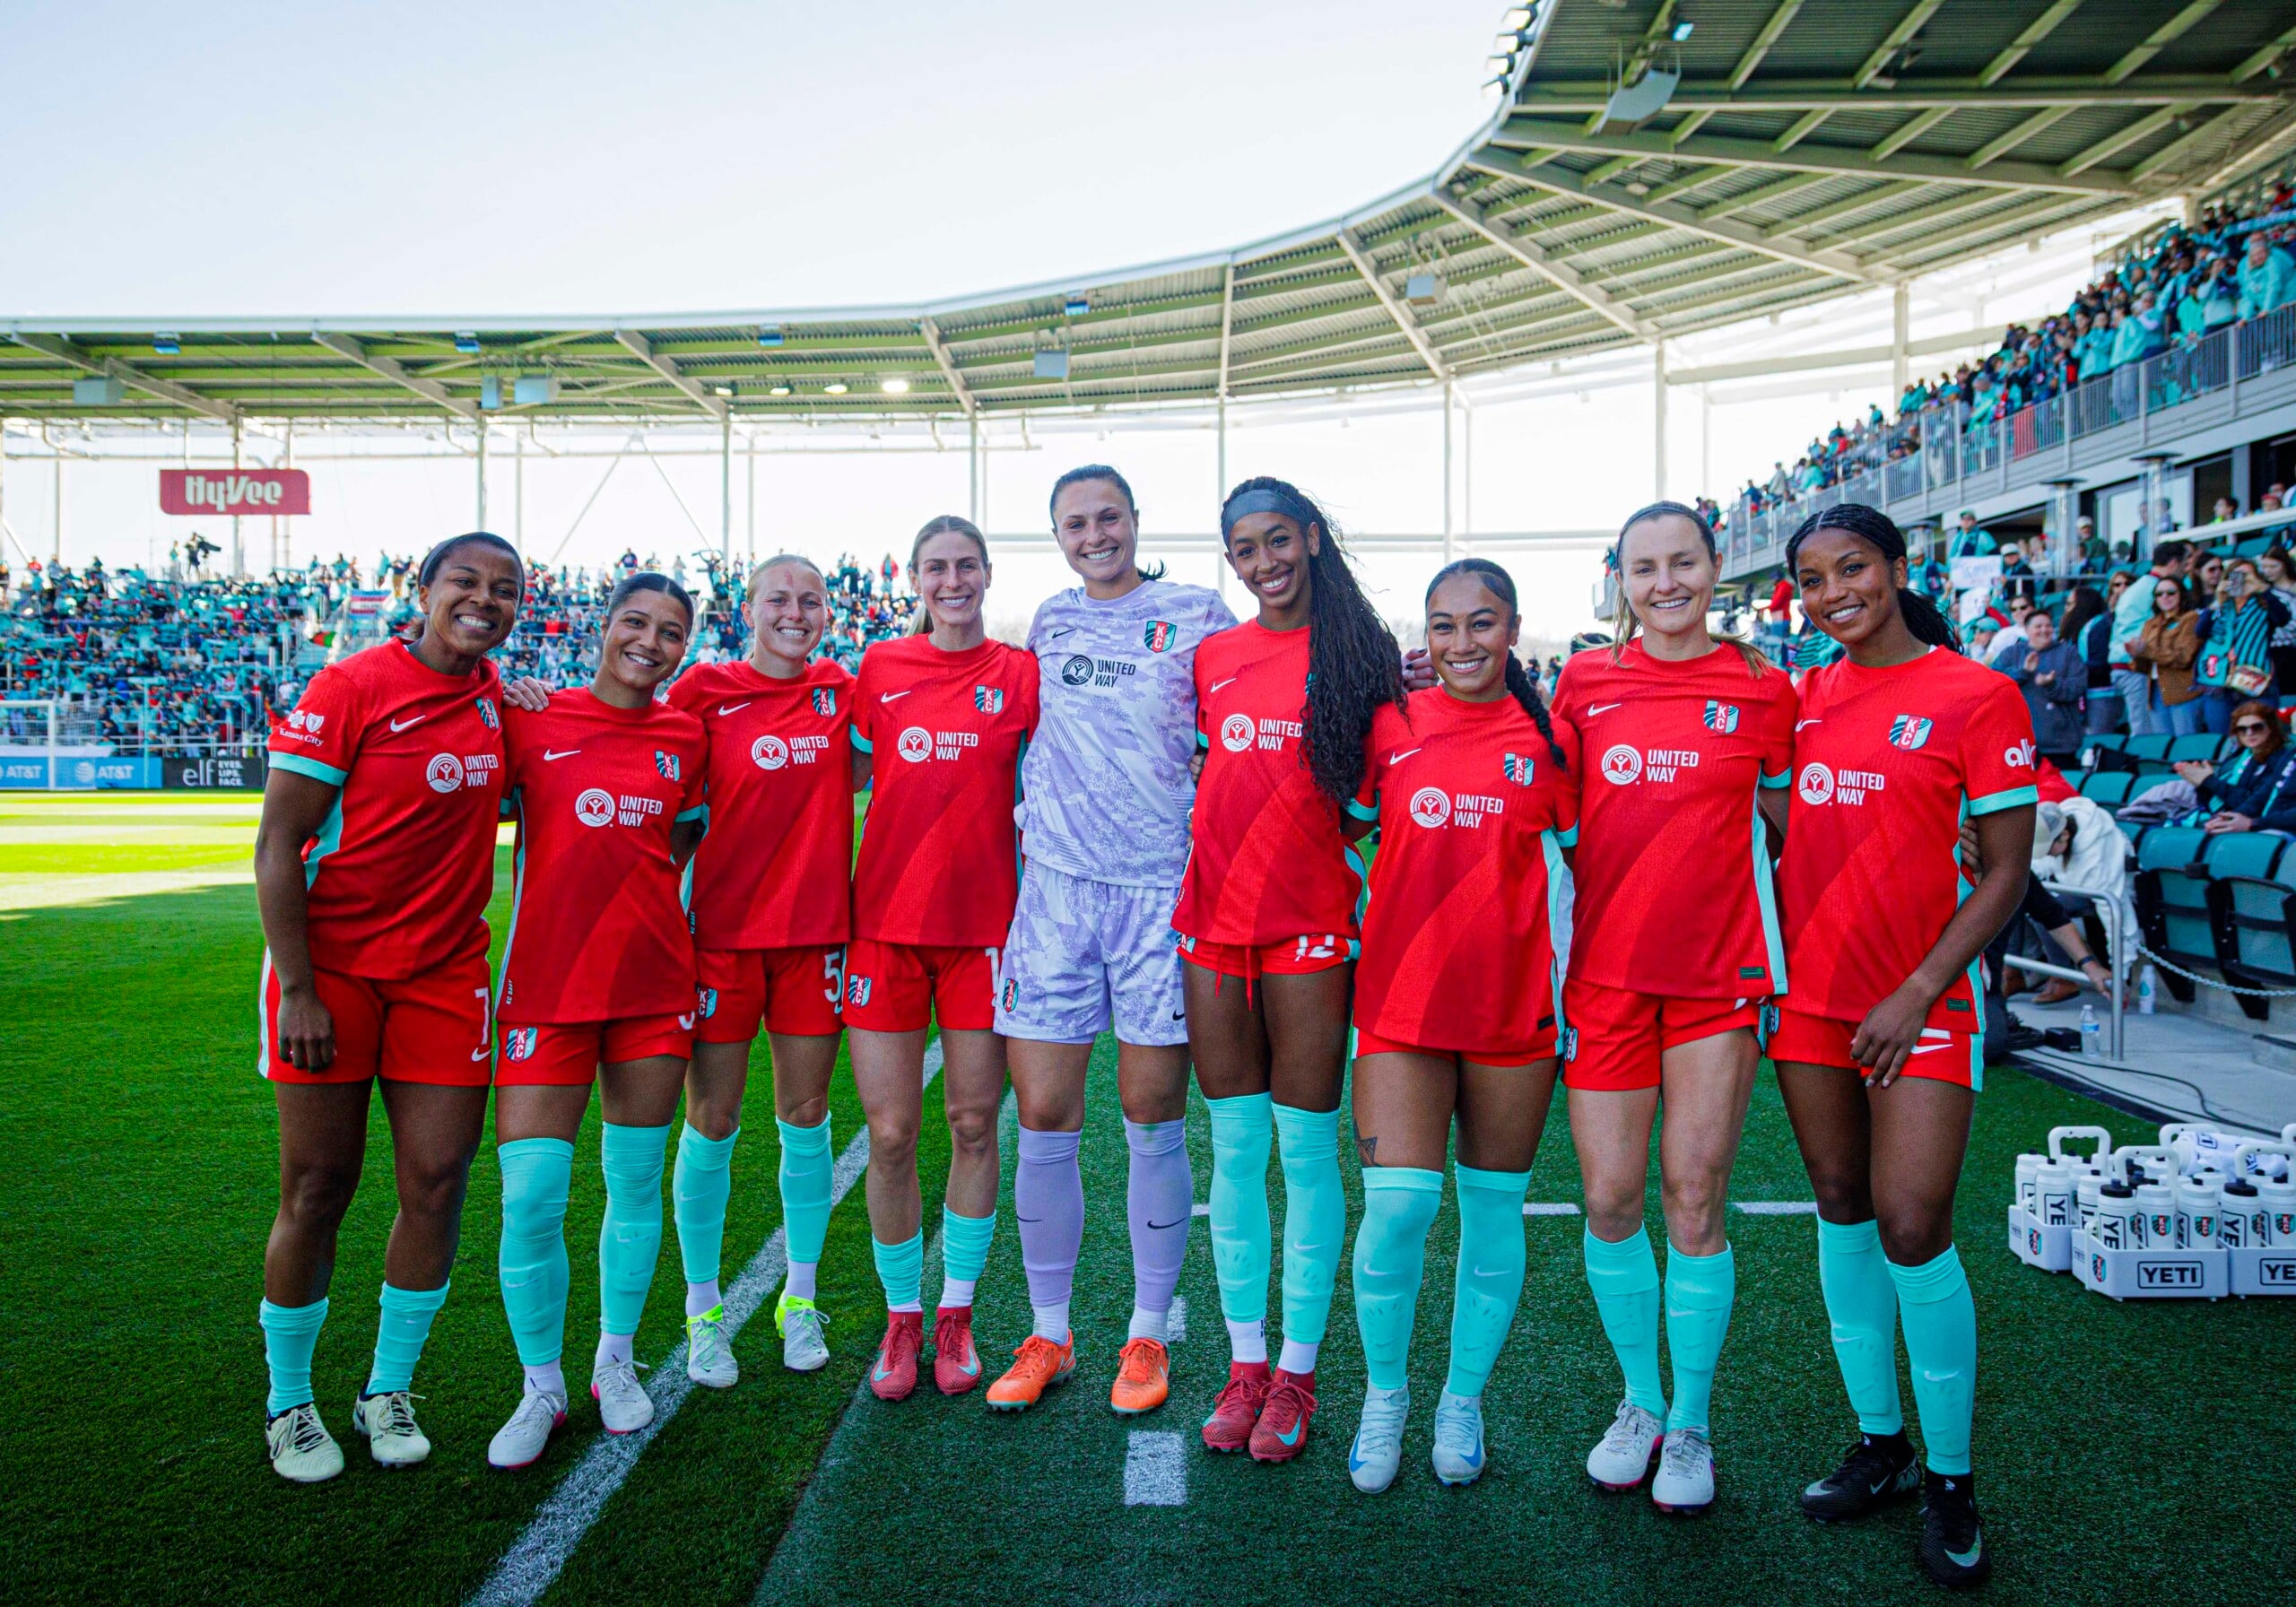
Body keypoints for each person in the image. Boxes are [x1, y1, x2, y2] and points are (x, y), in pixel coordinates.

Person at [1772, 502, 2034, 1591]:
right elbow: (1778, 823)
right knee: (1840, 1203)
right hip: (1809, 1004)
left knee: (1912, 1223)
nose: (1835, 592)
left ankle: (1952, 1480)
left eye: (1853, 568)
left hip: (1921, 1004)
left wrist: (1918, 987)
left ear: (1895, 565)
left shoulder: (1977, 694)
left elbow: (2007, 872)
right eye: (1813, 579)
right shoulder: (1800, 699)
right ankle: (1881, 1444)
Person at [253, 532, 524, 1482]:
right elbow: (277, 844)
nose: (484, 599)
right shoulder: (350, 687)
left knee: (438, 1182)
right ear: (422, 588)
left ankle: (387, 1389)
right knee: (317, 1187)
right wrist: (298, 989)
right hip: (330, 974)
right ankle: (290, 1402)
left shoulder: (499, 698)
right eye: (465, 581)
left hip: (445, 976)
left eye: (505, 589)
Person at [1549, 501, 1796, 1515]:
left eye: (1683, 562)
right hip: (1605, 981)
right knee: (1611, 1199)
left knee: (1693, 1198)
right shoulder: (1582, 682)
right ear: (1621, 578)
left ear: (1714, 565)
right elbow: (1550, 814)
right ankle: (1640, 1402)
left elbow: (1788, 824)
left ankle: (1690, 1421)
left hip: (1717, 979)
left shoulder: (1762, 687)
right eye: (1645, 567)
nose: (1666, 584)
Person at [988, 465, 1236, 1418]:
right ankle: (1049, 1332)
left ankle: (1146, 1331)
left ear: (1135, 520)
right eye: (1075, 524)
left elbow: (1258, 694)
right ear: (1056, 536)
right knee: (1044, 1113)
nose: (1094, 535)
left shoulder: (1196, 613)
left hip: (1157, 895)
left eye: (1108, 517)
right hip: (1055, 892)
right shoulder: (1050, 623)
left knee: (1150, 1112)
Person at [1176, 477, 1406, 1464]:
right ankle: (1244, 1366)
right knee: (1234, 1153)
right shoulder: (1214, 657)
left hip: (1310, 932)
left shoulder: (1363, 656)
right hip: (1210, 930)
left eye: (1277, 540)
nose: (1263, 562)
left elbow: (1370, 808)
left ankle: (1299, 1374)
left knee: (1305, 1153)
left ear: (1311, 538)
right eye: (1244, 549)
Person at [1341, 560, 1570, 1494]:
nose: (1462, 642)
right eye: (1444, 625)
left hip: (1514, 1012)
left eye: (1481, 623)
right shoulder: (1390, 724)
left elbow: (1598, 864)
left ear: (1512, 628)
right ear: (1424, 635)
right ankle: (1384, 1395)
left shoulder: (1554, 740)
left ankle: (1462, 1399)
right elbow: (1337, 829)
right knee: (1398, 1208)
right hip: (1401, 1005)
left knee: (1491, 1213)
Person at [482, 575, 708, 1468]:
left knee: (634, 1182)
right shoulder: (532, 718)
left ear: (685, 647)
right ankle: (541, 1384)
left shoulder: (686, 735)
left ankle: (615, 1359)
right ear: (603, 627)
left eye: (671, 631)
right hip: (546, 991)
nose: (651, 641)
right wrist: (501, 687)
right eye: (636, 623)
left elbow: (675, 848)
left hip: (653, 989)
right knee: (531, 1195)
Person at [848, 517, 1039, 1400]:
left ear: (987, 574)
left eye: (966, 566)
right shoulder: (879, 667)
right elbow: (839, 775)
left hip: (984, 935)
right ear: (916, 580)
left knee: (971, 1124)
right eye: (936, 568)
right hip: (883, 931)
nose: (952, 581)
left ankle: (957, 1314)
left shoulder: (1020, 674)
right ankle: (902, 1319)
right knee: (889, 1133)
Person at [663, 556, 857, 1381]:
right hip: (720, 940)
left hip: (814, 939)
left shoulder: (840, 691)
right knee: (712, 1119)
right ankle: (703, 1311)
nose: (794, 612)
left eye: (810, 600)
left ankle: (799, 1301)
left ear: (827, 614)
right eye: (778, 598)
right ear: (748, 610)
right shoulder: (703, 691)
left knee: (806, 1116)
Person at [2195, 557, 2290, 734]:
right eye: (2237, 575)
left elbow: (2283, 618)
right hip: (2219, 682)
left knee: (2262, 734)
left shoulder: (2264, 602)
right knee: (2223, 736)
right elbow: (2200, 631)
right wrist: (2217, 600)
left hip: (2255, 680)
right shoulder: (2222, 605)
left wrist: (2262, 589)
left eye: (2247, 576)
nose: (2242, 580)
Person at [2179, 699, 2296, 833]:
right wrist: (2225, 819)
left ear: (2270, 728)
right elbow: (2258, 799)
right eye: (2242, 729)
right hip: (2257, 819)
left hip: (2278, 829)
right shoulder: (2243, 754)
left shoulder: (2278, 756)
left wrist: (2252, 823)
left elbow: (2246, 799)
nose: (2249, 733)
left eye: (2257, 727)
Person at [2109, 539, 2187, 734]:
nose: (2186, 570)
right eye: (2184, 564)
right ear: (2174, 563)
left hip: (2128, 666)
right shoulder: (2154, 589)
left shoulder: (2140, 586)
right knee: (2145, 734)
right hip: (2135, 666)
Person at [1991, 608, 2083, 765]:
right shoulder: (2011, 654)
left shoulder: (2069, 653)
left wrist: (2052, 685)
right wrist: (2023, 672)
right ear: (2026, 630)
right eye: (2038, 626)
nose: (2044, 630)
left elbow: (2077, 688)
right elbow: (1994, 685)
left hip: (2061, 745)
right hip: (2021, 747)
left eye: (2048, 626)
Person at [2126, 576, 2205, 737]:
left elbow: (2183, 658)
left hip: (2181, 691)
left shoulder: (2190, 619)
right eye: (2159, 594)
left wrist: (2147, 651)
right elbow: (2143, 666)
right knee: (2162, 744)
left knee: (2185, 743)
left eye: (2171, 592)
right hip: (2155, 690)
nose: (2165, 597)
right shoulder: (2151, 623)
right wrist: (2136, 654)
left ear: (2181, 594)